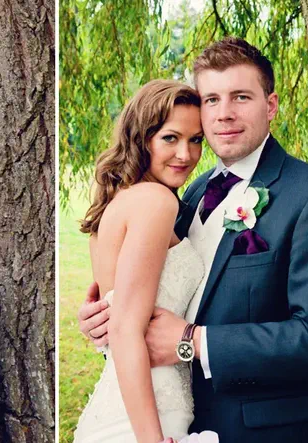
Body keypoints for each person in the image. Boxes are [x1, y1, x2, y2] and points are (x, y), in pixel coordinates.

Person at [78, 37, 308, 442]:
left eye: (240, 97)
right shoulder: (189, 193)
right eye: (211, 99)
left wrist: (192, 342)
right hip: (173, 423)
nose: (224, 113)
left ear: (271, 105)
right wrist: (105, 319)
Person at [72, 80, 205, 442]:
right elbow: (124, 329)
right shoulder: (156, 202)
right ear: (141, 138)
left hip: (129, 404)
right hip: (146, 419)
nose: (186, 154)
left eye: (196, 140)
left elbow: (113, 323)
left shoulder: (114, 205)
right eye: (170, 138)